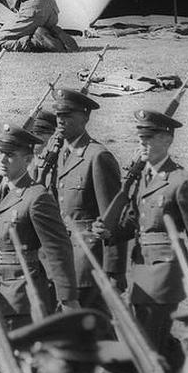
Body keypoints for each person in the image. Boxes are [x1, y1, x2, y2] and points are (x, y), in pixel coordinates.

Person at [97, 108, 188, 366]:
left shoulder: (180, 180)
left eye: (150, 137)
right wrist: (111, 232)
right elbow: (134, 222)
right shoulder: (141, 178)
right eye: (141, 137)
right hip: (141, 270)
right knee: (156, 341)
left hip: (165, 273)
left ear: (168, 139)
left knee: (148, 341)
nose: (143, 142)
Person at [0, 124, 77, 325]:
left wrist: (67, 298)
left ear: (28, 159)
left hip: (23, 297)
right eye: (0, 153)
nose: (2, 159)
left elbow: (57, 248)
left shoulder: (37, 196)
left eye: (10, 155)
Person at [48, 88, 122, 310]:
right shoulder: (58, 154)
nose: (61, 121)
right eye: (59, 115)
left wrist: (114, 271)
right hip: (60, 261)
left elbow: (112, 219)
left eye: (68, 115)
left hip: (87, 264)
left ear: (85, 118)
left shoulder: (97, 157)